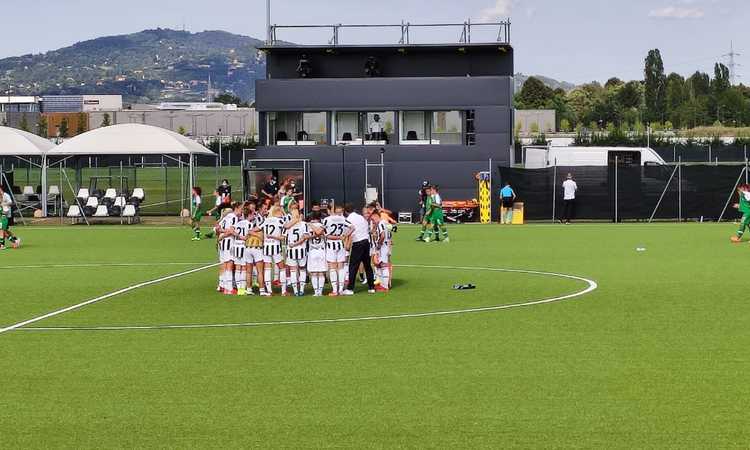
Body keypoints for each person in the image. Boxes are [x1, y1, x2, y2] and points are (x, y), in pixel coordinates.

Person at [343, 204, 376, 296]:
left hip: (357, 243)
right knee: (367, 266)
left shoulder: (348, 219)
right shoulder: (361, 217)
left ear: (346, 212)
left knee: (353, 266)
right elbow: (366, 228)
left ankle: (350, 288)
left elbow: (348, 232)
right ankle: (371, 287)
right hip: (366, 242)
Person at [322, 205, 354, 297]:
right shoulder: (343, 219)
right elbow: (352, 227)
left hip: (331, 244)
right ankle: (340, 290)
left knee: (332, 267)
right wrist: (344, 236)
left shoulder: (327, 219)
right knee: (341, 267)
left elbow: (326, 235)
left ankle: (335, 290)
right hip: (340, 244)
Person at [260, 206, 287, 296]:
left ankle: (269, 291)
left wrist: (251, 232)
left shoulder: (266, 220)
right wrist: (274, 237)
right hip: (275, 247)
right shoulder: (280, 221)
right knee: (282, 268)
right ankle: (283, 291)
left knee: (267, 269)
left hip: (266, 247)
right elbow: (283, 237)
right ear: (278, 212)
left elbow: (257, 228)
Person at [284, 208, 310, 297]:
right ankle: (301, 290)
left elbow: (284, 234)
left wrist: (294, 244)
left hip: (291, 250)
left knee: (293, 270)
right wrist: (298, 243)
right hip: (301, 250)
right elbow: (306, 236)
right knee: (302, 269)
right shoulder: (304, 224)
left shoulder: (288, 224)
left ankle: (296, 291)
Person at [216, 204, 239, 295]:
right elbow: (231, 231)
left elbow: (217, 229)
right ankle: (229, 288)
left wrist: (221, 235)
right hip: (229, 243)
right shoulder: (234, 217)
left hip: (222, 244)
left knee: (223, 264)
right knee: (229, 264)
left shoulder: (224, 218)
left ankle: (222, 285)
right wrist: (233, 233)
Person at [306, 213, 328, 297]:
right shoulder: (323, 225)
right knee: (321, 272)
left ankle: (316, 292)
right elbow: (325, 236)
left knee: (314, 273)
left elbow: (306, 237)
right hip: (322, 250)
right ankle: (320, 291)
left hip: (312, 250)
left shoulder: (308, 226)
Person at [371, 210, 393, 292]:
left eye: (373, 218)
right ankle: (382, 285)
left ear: (376, 216)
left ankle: (385, 286)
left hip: (382, 247)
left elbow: (383, 235)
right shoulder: (383, 223)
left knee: (383, 266)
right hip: (385, 246)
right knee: (379, 265)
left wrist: (378, 246)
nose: (372, 220)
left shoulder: (381, 223)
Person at [0, 185, 19, 250]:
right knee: (4, 231)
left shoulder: (6, 195)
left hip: (4, 216)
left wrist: (4, 204)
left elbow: (10, 203)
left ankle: (3, 245)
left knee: (3, 231)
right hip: (2, 216)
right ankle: (14, 240)